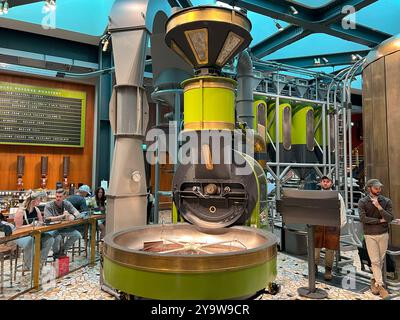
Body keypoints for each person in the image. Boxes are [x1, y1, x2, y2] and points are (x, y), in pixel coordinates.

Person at [358, 179, 393, 299]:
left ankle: (374, 281)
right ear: (369, 188)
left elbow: (389, 218)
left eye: (380, 188)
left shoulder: (386, 201)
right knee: (375, 261)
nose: (379, 190)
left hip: (383, 234)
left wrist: (379, 207)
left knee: (380, 260)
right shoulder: (362, 202)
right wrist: (379, 221)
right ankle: (381, 286)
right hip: (369, 235)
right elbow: (363, 219)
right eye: (376, 188)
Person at [314, 175, 346, 281]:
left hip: (332, 226)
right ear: (321, 183)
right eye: (324, 181)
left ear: (331, 183)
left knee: (330, 249)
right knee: (315, 248)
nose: (326, 183)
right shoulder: (316, 195)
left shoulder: (337, 196)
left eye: (328, 181)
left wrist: (340, 225)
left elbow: (342, 210)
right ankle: (314, 267)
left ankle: (328, 270)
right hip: (318, 225)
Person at [14, 190, 54, 270]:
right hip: (21, 236)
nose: (40, 201)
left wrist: (40, 223)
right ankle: (28, 264)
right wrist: (31, 225)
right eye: (39, 200)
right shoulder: (21, 211)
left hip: (34, 233)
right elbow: (18, 228)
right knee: (31, 241)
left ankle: (40, 261)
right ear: (33, 201)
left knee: (50, 239)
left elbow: (41, 222)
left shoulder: (37, 210)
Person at [44, 188, 82, 258]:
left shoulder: (66, 203)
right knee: (57, 238)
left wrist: (73, 216)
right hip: (52, 229)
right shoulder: (49, 205)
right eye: (57, 196)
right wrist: (62, 216)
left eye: (60, 197)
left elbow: (77, 213)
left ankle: (63, 250)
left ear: (64, 197)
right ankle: (56, 254)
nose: (58, 198)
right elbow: (47, 219)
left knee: (77, 235)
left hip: (63, 228)